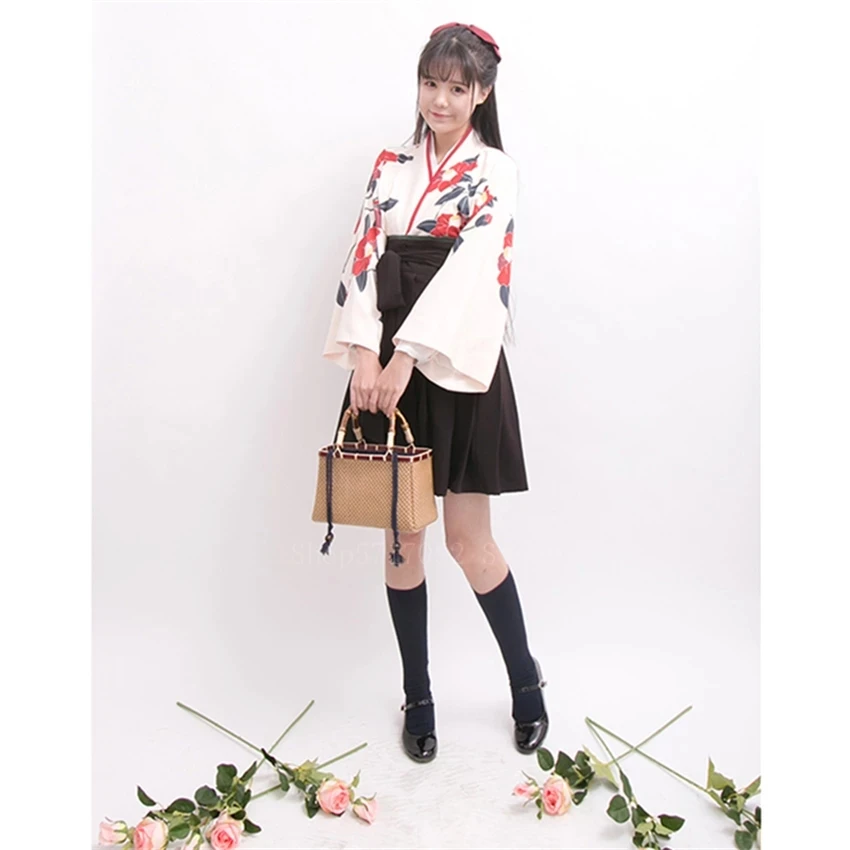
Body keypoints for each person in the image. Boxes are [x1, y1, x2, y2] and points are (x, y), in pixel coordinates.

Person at [320, 21, 548, 763]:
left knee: (467, 541)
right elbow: (363, 253)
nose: (439, 100)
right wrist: (364, 353)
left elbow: (473, 274)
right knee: (403, 536)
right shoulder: (390, 166)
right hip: (385, 359)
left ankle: (525, 680)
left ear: (482, 92)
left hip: (454, 359)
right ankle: (417, 694)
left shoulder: (496, 171)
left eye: (456, 87)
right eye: (430, 83)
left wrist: (403, 360)